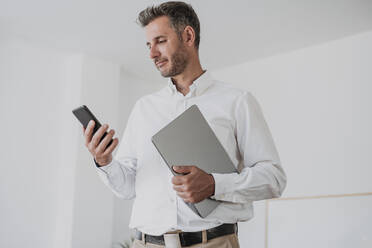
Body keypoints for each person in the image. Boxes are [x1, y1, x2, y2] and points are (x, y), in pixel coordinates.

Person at [83, 1, 287, 248]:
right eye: (149, 45)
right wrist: (105, 162)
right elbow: (127, 188)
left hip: (212, 243)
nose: (152, 54)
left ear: (188, 36)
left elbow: (273, 179)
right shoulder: (144, 108)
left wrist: (214, 184)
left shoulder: (236, 101)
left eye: (160, 41)